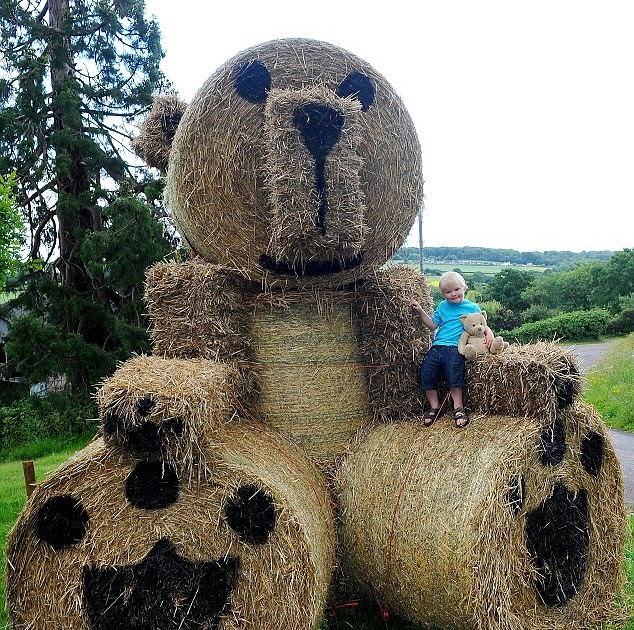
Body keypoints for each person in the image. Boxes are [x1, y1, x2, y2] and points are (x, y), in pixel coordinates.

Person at [411, 271, 493, 428]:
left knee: (454, 372)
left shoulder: (472, 306)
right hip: (438, 346)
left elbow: (482, 325)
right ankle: (434, 407)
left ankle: (458, 407)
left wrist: (489, 334)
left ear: (464, 288)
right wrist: (421, 311)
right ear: (443, 294)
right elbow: (432, 326)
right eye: (448, 292)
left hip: (456, 347)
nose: (453, 294)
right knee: (426, 371)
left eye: (456, 289)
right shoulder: (442, 306)